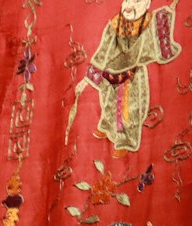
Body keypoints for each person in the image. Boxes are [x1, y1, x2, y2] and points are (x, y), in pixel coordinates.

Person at [73, 0, 182, 154]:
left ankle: (126, 143)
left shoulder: (148, 26)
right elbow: (103, 51)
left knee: (129, 113)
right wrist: (87, 80)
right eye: (127, 1)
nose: (129, 6)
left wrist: (165, 16)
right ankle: (106, 128)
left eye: (137, 2)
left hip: (132, 78)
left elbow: (156, 46)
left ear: (146, 5)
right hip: (109, 76)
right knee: (108, 105)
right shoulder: (115, 24)